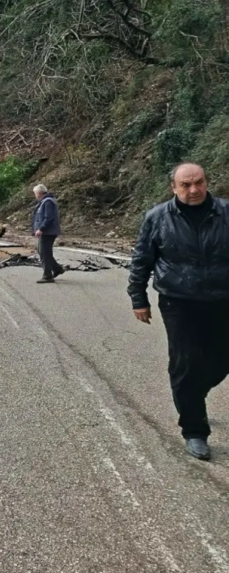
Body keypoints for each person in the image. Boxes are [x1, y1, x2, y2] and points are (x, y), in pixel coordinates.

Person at [128, 163, 229, 461]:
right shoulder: (157, 218)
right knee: (185, 364)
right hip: (179, 302)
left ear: (207, 182)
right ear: (173, 187)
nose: (193, 189)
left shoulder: (226, 213)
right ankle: (194, 430)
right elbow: (141, 260)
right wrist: (138, 298)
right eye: (185, 185)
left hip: (223, 299)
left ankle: (193, 395)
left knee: (221, 359)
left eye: (198, 182)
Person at [31, 184, 64, 284]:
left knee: (44, 253)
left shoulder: (48, 202)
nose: (35, 195)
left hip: (48, 232)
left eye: (35, 193)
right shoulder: (44, 201)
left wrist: (41, 229)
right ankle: (57, 268)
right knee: (43, 251)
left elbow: (48, 217)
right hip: (47, 232)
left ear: (39, 193)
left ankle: (47, 275)